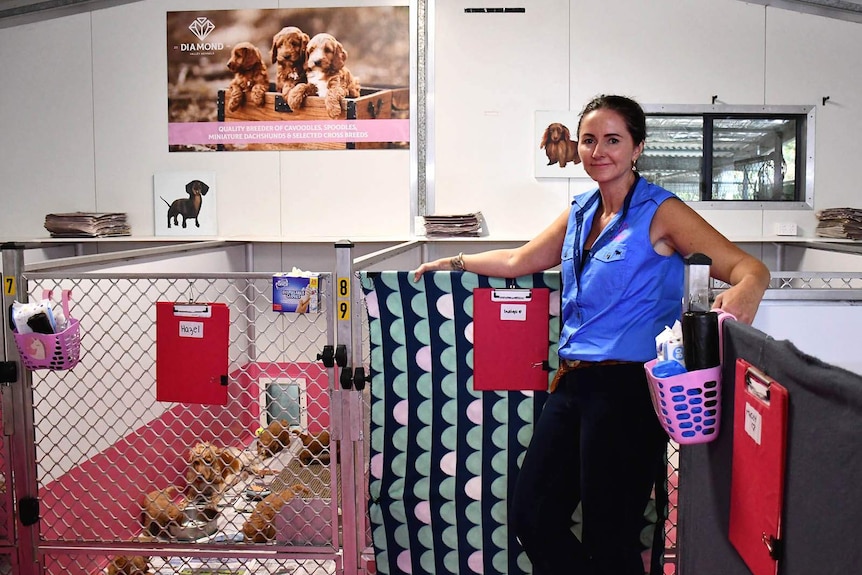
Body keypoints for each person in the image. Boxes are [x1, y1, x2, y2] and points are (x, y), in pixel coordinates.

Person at [412, 94, 770, 575]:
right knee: (532, 516)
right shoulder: (580, 211)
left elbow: (748, 267)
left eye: (613, 140)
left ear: (637, 147)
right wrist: (452, 261)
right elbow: (521, 260)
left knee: (611, 535)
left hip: (627, 392)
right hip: (572, 384)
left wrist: (748, 290)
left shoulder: (660, 211)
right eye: (588, 140)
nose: (598, 150)